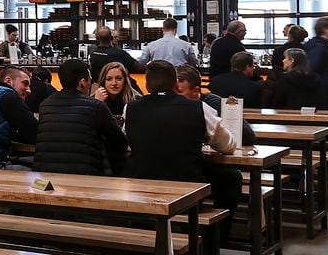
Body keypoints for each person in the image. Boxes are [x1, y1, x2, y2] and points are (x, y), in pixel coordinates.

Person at [123, 60, 240, 239]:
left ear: (147, 86)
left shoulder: (130, 109)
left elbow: (128, 143)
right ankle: (215, 238)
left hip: (142, 187)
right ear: (175, 84)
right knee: (232, 177)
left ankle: (143, 230)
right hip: (188, 188)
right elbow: (228, 146)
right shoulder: (199, 108)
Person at [34, 59, 127, 175]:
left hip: (43, 175)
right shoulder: (95, 106)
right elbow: (119, 140)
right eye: (90, 79)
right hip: (84, 175)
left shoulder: (45, 105)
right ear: (83, 82)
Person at [175, 64, 254, 146]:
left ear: (196, 91)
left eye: (179, 92)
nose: (174, 96)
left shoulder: (213, 104)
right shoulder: (171, 106)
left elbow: (247, 136)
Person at [304, 18, 328, 110]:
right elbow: (313, 67)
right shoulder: (320, 47)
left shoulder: (316, 45)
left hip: (320, 91)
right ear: (325, 29)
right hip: (322, 91)